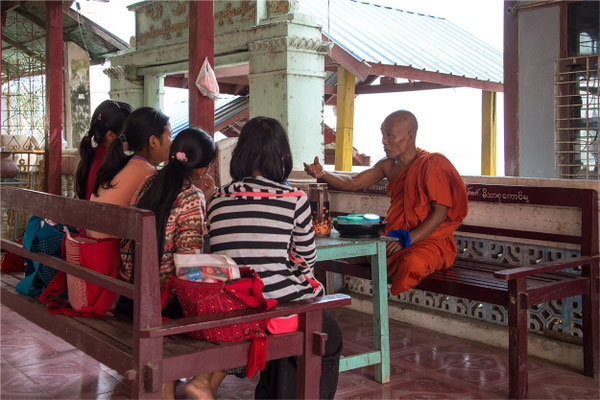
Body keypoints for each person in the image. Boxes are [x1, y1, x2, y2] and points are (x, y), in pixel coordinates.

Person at [207, 116, 343, 399]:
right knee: (327, 334)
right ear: (282, 156)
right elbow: (306, 260)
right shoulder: (294, 197)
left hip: (231, 301)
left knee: (283, 309)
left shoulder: (218, 197)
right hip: (271, 305)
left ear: (241, 155)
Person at [303, 110, 468, 295]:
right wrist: (323, 174)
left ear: (410, 136)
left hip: (427, 241)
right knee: (352, 254)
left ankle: (391, 258)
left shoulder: (432, 164)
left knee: (410, 263)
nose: (384, 141)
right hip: (394, 236)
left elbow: (440, 214)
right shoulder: (388, 165)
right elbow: (353, 182)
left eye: (389, 135)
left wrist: (405, 241)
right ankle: (387, 256)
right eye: (383, 135)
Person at [128, 128, 219, 400]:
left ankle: (173, 387)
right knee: (223, 302)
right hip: (162, 300)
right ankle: (201, 381)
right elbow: (187, 264)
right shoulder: (191, 196)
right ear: (202, 169)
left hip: (130, 289)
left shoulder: (149, 182)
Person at [88, 107, 172, 240]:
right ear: (153, 142)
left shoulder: (122, 164)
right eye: (170, 135)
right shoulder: (149, 174)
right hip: (111, 253)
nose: (172, 142)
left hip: (93, 249)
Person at [74, 100, 133, 200]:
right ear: (110, 135)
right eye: (129, 132)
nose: (133, 136)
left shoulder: (95, 154)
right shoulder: (108, 162)